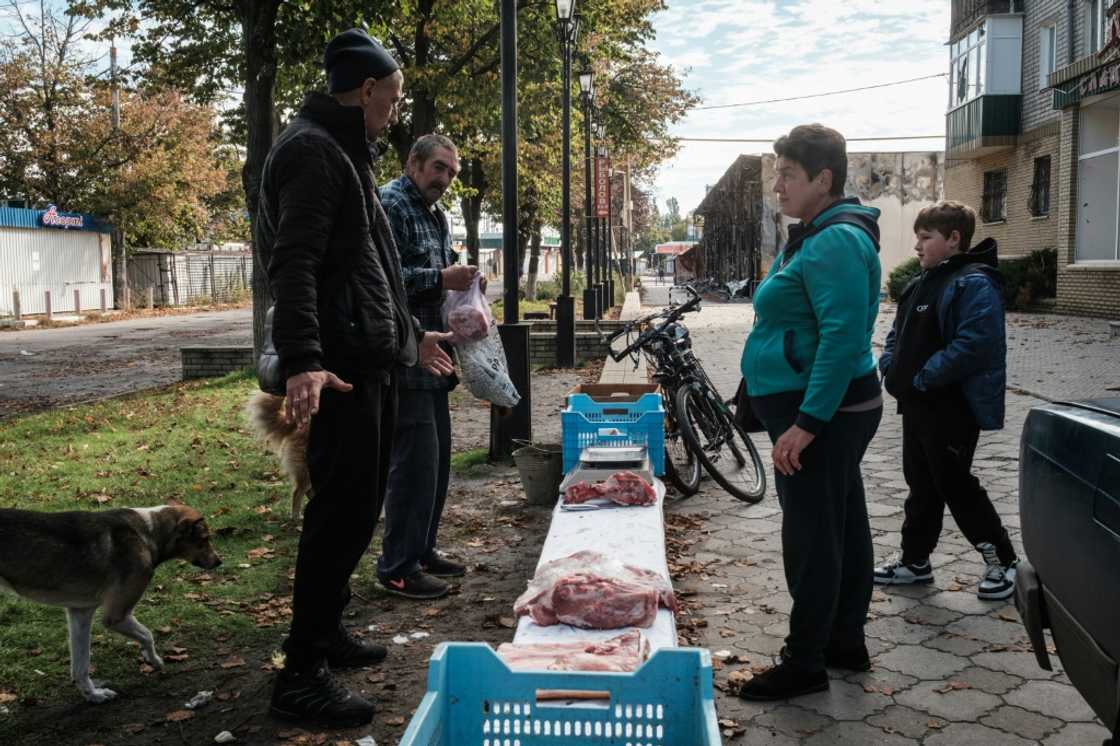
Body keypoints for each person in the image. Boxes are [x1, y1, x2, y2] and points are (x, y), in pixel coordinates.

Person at [257, 28, 455, 727]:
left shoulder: (342, 149)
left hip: (366, 360)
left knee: (357, 508)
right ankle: (301, 673)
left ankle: (327, 630)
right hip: (337, 368)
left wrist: (411, 337)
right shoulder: (312, 150)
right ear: (366, 89)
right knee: (339, 515)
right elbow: (296, 262)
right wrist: (305, 359)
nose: (396, 109)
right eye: (393, 96)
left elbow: (370, 274)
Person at [738, 124, 883, 701]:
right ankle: (844, 641)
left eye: (788, 174)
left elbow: (843, 339)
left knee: (812, 537)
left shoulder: (835, 241)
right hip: (821, 408)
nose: (778, 184)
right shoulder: (819, 233)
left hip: (823, 413)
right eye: (777, 172)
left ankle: (805, 663)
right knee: (840, 523)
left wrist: (807, 423)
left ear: (823, 179)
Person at [874, 200, 1017, 600]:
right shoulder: (922, 281)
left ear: (954, 239)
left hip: (951, 407)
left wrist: (922, 376)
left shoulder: (974, 282)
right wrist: (890, 364)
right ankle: (915, 561)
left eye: (926, 238)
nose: (917, 246)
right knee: (921, 483)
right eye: (918, 237)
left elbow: (976, 343)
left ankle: (1004, 563)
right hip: (918, 405)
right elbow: (896, 334)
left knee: (956, 484)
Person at [376, 134, 477, 600]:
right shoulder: (392, 204)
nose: (445, 179)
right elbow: (382, 280)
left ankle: (422, 550)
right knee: (413, 463)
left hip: (438, 353)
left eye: (452, 173)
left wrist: (461, 283)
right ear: (414, 163)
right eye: (439, 168)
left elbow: (438, 271)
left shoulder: (434, 214)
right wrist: (440, 278)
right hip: (408, 352)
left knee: (435, 462)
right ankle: (397, 565)